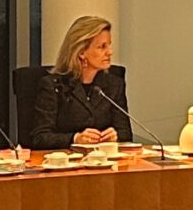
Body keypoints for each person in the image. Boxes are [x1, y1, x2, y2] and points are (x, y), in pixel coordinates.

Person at [30, 15, 132, 150]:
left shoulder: (114, 84)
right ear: (81, 52)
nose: (110, 52)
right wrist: (75, 138)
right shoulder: (53, 85)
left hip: (104, 159)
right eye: (102, 47)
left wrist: (116, 136)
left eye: (109, 45)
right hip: (67, 160)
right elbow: (40, 138)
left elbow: (126, 133)